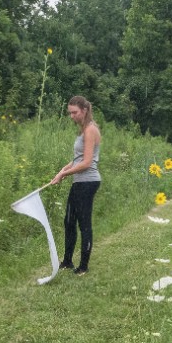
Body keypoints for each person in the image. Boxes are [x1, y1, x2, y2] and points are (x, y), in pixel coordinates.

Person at [49, 95, 102, 275]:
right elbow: (77, 160)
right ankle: (67, 261)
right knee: (69, 221)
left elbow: (87, 163)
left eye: (74, 113)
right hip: (79, 181)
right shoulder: (83, 129)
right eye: (69, 113)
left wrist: (64, 173)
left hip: (88, 182)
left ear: (84, 110)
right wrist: (62, 171)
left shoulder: (90, 130)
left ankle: (83, 267)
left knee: (84, 224)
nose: (72, 116)